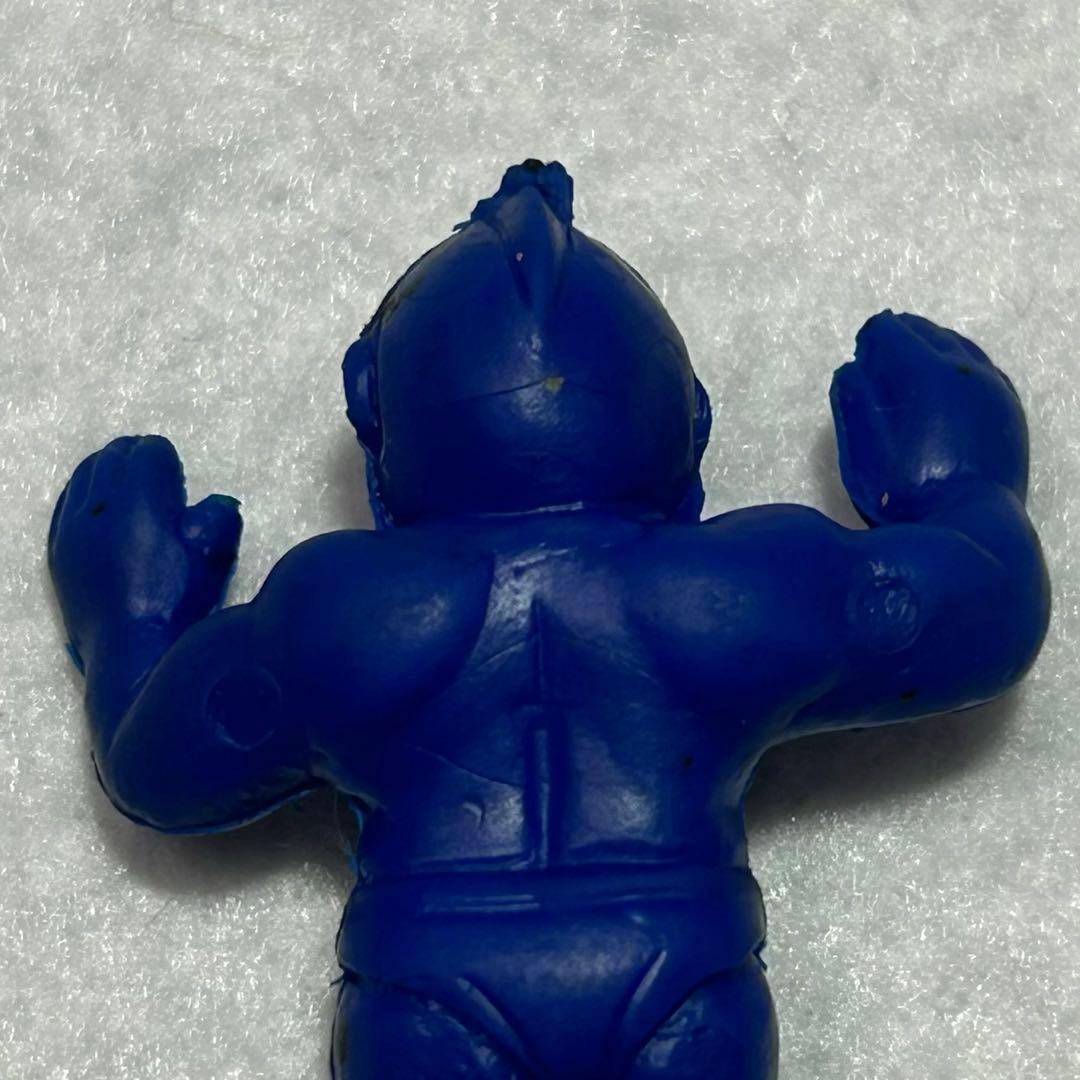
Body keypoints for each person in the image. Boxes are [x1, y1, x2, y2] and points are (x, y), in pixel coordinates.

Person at [48, 160, 1050, 1079]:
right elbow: (987, 609)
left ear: (376, 434)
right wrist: (966, 484)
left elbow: (153, 771)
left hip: (433, 998)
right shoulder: (737, 591)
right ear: (692, 423)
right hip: (678, 985)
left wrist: (127, 615)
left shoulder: (336, 615)